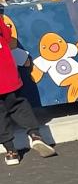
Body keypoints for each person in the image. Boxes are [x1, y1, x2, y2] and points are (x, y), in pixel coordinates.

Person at [1, 12, 56, 166]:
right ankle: (35, 134)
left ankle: (11, 151)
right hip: (7, 74)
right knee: (19, 105)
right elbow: (7, 36)